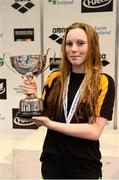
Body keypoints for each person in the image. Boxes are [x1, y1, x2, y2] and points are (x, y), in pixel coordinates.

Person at [22, 22, 115, 179]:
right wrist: (33, 98)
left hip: (85, 166)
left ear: (92, 46)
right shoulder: (54, 78)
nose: (73, 49)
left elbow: (94, 131)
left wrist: (50, 124)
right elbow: (40, 119)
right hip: (51, 164)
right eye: (69, 44)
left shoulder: (103, 81)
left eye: (81, 43)